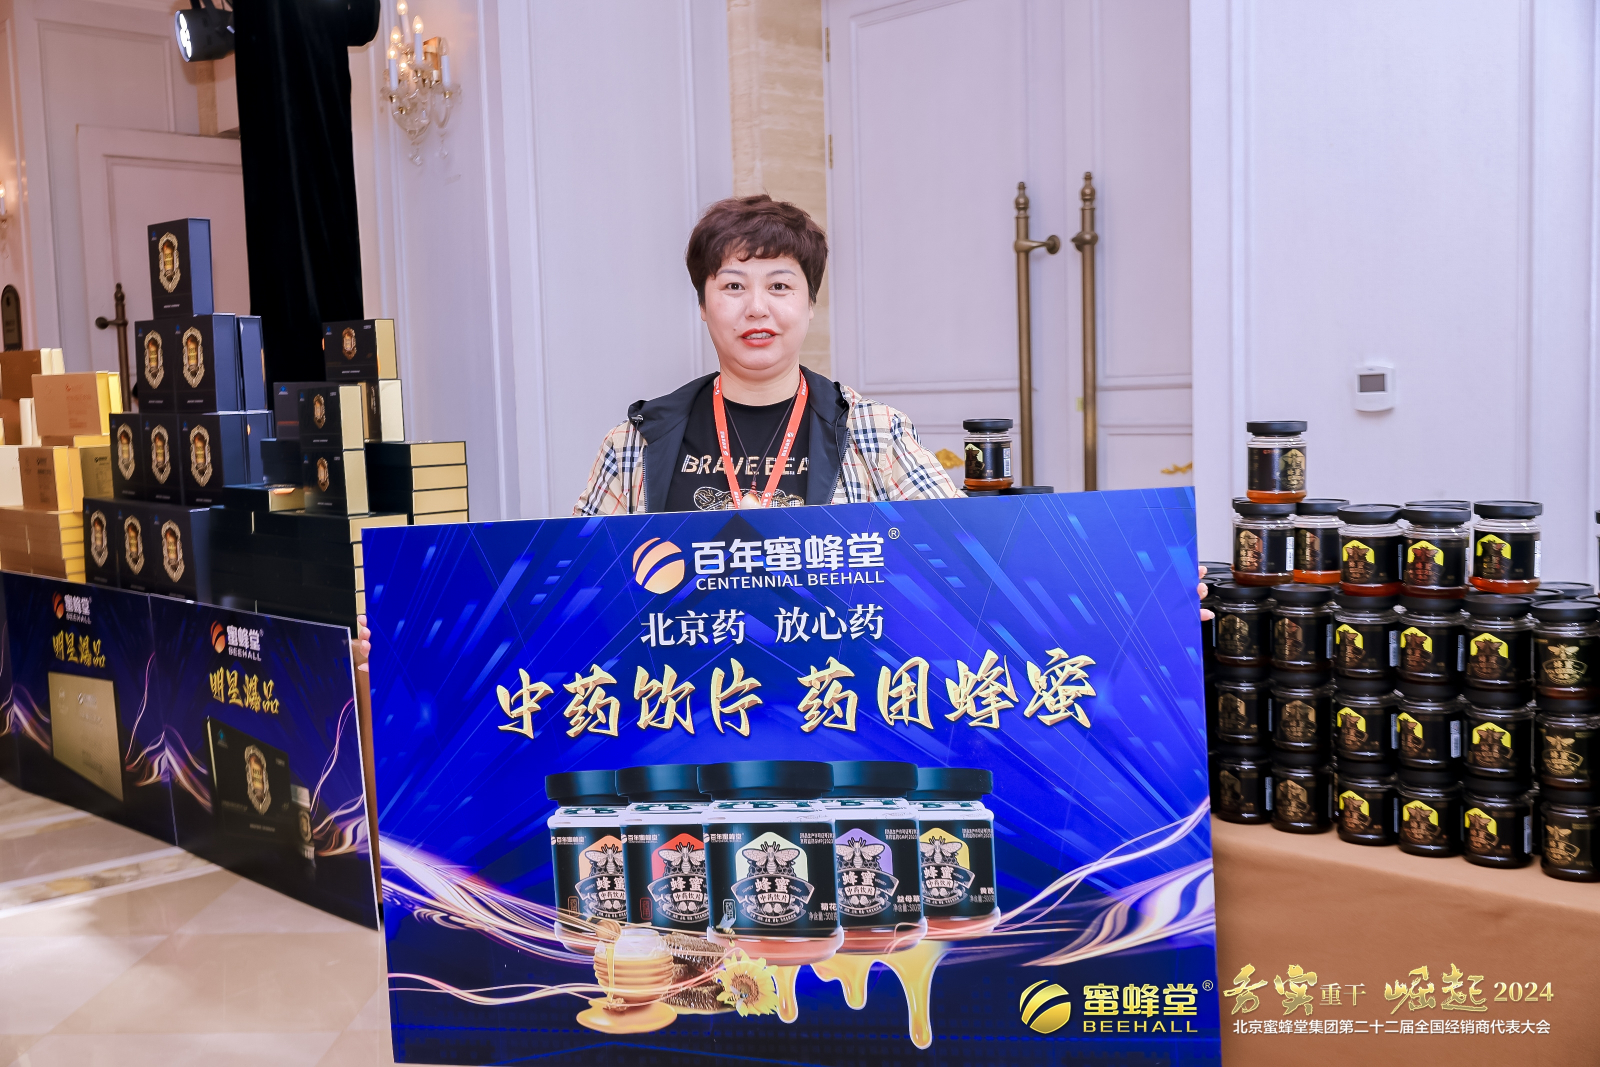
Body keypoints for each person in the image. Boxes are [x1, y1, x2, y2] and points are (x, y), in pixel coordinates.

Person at [572, 194, 960, 515]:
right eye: (733, 286)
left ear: (810, 303)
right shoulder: (633, 443)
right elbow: (580, 572)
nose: (757, 308)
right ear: (703, 305)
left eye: (778, 286)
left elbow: (963, 548)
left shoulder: (876, 433)